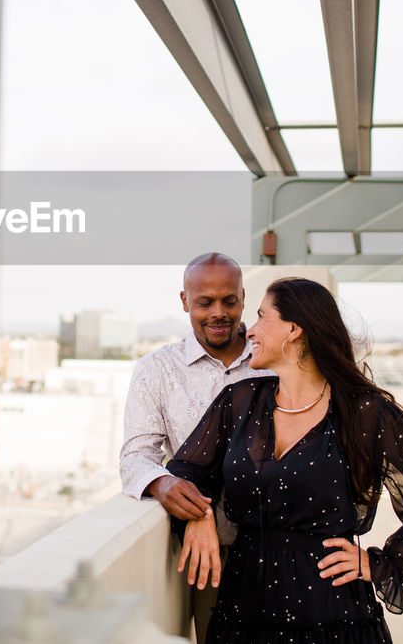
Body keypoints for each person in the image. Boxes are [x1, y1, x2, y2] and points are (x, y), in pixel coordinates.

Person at [168, 277, 403, 644]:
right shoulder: (240, 401)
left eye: (261, 317)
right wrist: (199, 513)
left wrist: (379, 563)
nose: (252, 330)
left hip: (331, 612)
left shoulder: (365, 412)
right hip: (243, 606)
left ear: (293, 330)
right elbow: (185, 469)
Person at [120, 252, 274, 640]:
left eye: (229, 301)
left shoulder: (273, 361)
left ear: (243, 297)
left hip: (283, 543)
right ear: (185, 301)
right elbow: (136, 455)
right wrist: (164, 483)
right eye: (205, 302)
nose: (218, 313)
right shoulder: (156, 369)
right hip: (211, 553)